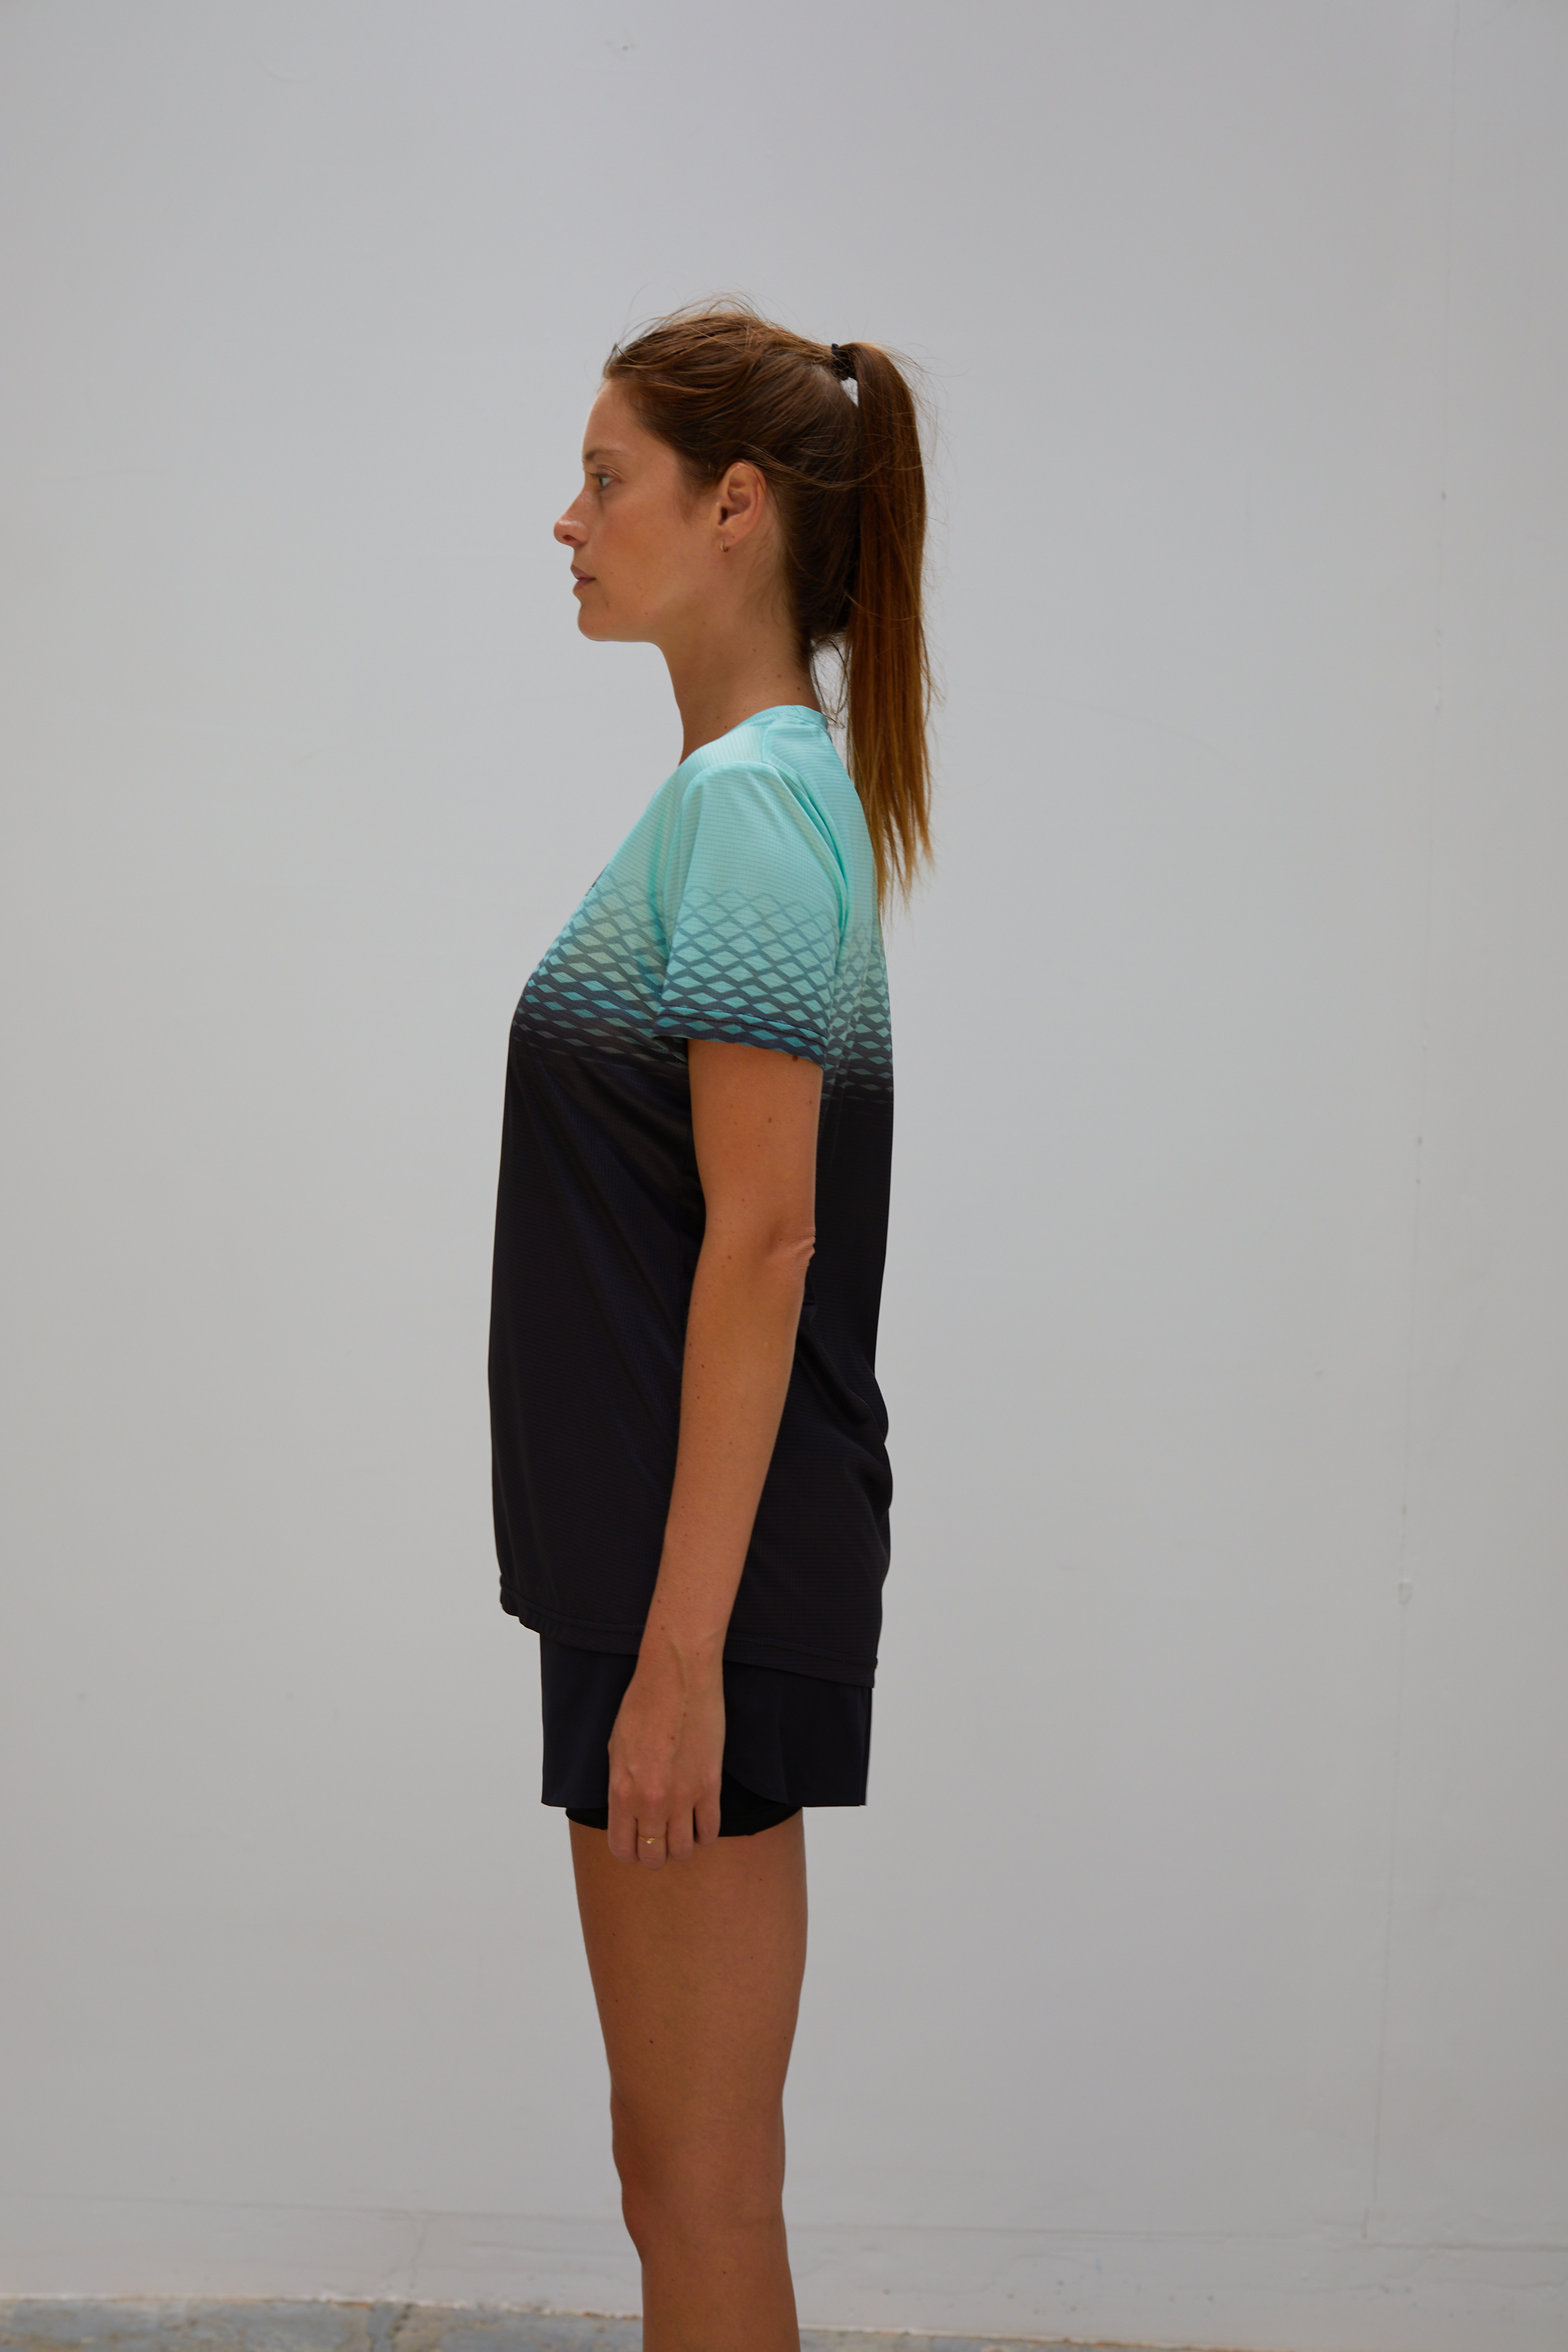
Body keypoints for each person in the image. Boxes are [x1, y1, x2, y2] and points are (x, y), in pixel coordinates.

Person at [487, 302, 932, 2351]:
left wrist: (678, 1662)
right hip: (675, 1569)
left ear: (736, 507)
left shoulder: (751, 806)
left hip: (702, 1591)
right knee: (679, 2170)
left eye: (608, 478)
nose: (567, 519)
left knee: (698, 2180)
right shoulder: (753, 794)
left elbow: (765, 1244)